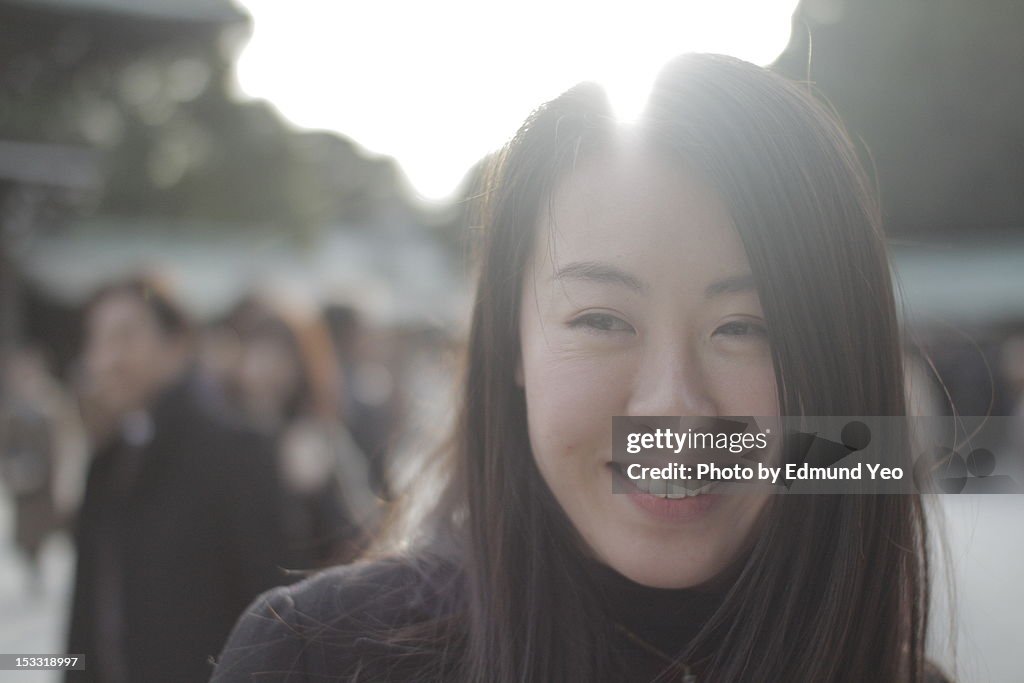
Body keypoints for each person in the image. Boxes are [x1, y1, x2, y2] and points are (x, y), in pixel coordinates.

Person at [211, 54, 944, 682]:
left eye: (747, 327)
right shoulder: (315, 658)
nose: (672, 405)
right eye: (601, 319)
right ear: (513, 344)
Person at [65, 276, 292, 683]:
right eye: (96, 340)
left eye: (124, 337)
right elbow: (88, 619)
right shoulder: (110, 460)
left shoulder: (236, 453)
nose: (103, 359)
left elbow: (270, 612)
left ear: (176, 343)